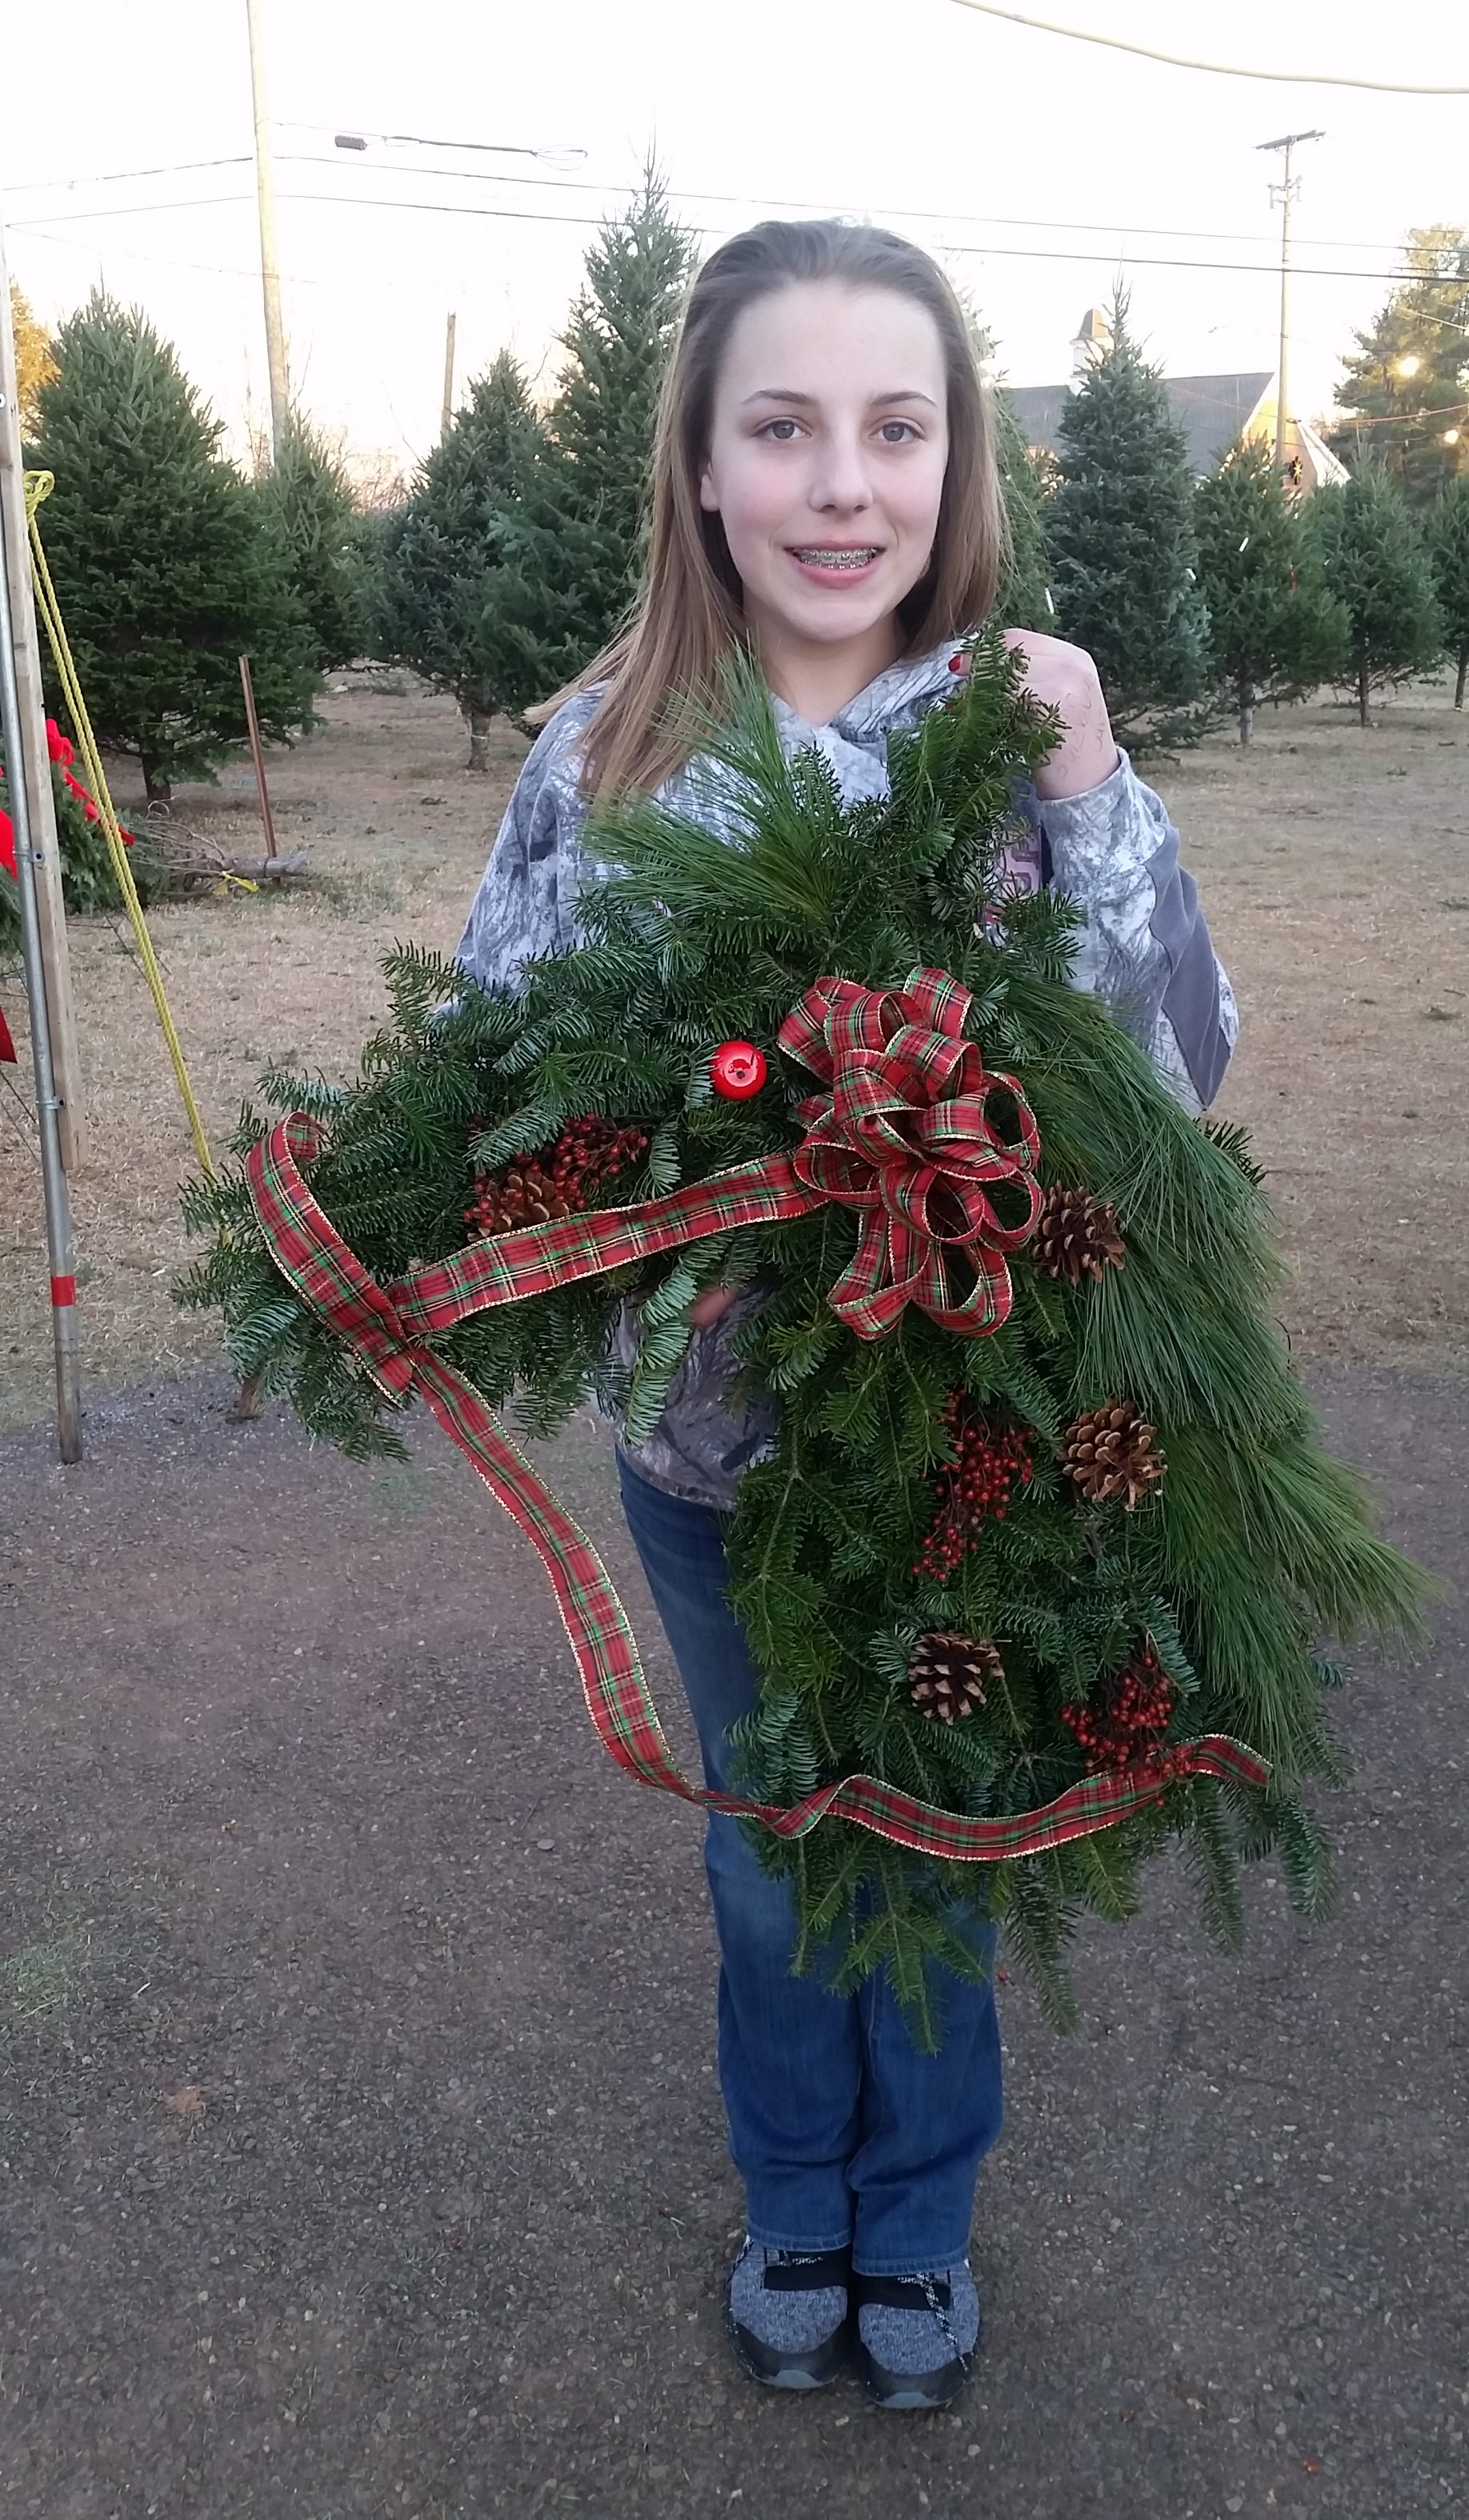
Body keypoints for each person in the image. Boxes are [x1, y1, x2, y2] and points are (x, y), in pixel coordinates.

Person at [456, 219, 1236, 2411]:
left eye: (894, 430)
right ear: (701, 467)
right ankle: (793, 2191)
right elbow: (501, 1070)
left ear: (954, 462)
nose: (838, 486)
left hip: (979, 1452)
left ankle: (918, 2218)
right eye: (781, 427)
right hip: (711, 1459)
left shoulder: (1019, 738)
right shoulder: (606, 754)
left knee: (938, 1838)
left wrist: (1089, 785)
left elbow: (1174, 1071)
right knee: (775, 1843)